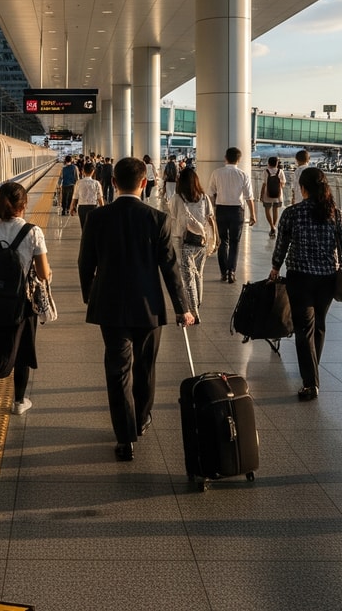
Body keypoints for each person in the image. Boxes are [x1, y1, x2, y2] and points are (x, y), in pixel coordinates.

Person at [78, 157, 196, 462]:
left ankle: (124, 437)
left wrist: (90, 295)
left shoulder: (98, 218)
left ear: (113, 183)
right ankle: (142, 419)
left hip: (110, 307)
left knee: (118, 372)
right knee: (145, 368)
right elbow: (170, 268)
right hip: (149, 308)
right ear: (144, 183)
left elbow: (85, 262)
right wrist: (183, 307)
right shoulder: (157, 219)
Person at [269, 167, 342, 401]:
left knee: (304, 328)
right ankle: (312, 371)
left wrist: (275, 267)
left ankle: (310, 382)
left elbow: (281, 244)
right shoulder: (334, 213)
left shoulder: (292, 213)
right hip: (327, 279)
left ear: (303, 188)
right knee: (319, 325)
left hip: (300, 278)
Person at [0, 182, 52, 430]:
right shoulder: (33, 232)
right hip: (22, 305)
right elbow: (43, 273)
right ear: (23, 205)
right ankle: (18, 402)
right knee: (23, 352)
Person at [166, 166, 216, 323]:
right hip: (201, 241)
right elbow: (210, 219)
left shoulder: (177, 198)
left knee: (187, 279)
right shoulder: (204, 197)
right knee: (198, 275)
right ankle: (197, 304)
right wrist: (213, 238)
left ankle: (193, 311)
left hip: (183, 242)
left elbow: (172, 219)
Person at [208, 147, 256, 283]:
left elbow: (210, 194)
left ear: (225, 157)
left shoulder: (216, 173)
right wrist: (253, 214)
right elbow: (249, 197)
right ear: (239, 159)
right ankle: (232, 272)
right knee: (235, 242)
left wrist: (211, 211)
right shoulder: (243, 174)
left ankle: (223, 272)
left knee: (223, 241)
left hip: (221, 210)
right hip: (237, 211)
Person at [70, 161, 104, 227]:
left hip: (82, 208)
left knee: (84, 227)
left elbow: (75, 197)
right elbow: (100, 198)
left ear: (83, 171)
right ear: (93, 171)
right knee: (93, 228)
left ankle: (84, 236)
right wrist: (103, 210)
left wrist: (71, 207)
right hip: (93, 207)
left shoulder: (78, 183)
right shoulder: (96, 183)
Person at [260, 156, 286, 234]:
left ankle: (272, 226)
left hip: (267, 195)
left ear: (269, 163)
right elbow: (283, 184)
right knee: (275, 210)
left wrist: (261, 195)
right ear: (277, 163)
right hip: (278, 195)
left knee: (267, 210)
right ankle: (274, 226)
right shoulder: (280, 171)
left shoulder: (265, 171)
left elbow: (264, 184)